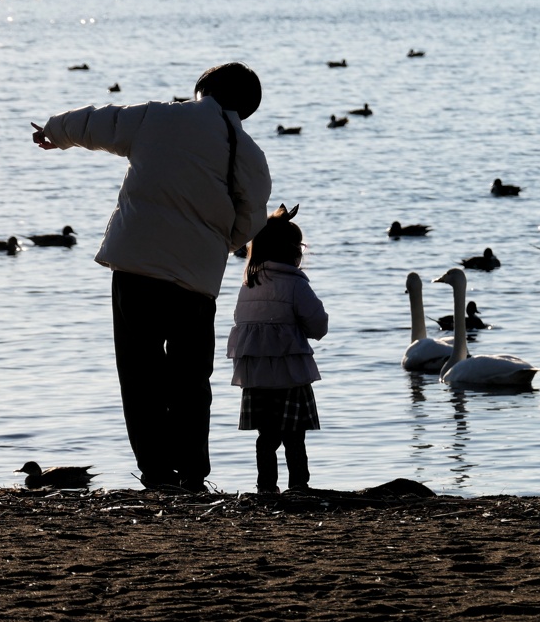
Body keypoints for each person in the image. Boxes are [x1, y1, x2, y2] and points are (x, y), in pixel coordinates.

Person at [31, 62, 272, 491]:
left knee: (140, 373)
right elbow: (248, 224)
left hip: (137, 266)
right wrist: (217, 244)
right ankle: (193, 472)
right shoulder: (250, 155)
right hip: (197, 281)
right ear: (246, 110)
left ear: (201, 88)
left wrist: (54, 132)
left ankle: (157, 473)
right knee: (191, 379)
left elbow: (96, 122)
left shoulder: (158, 116)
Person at [227, 204, 328, 492]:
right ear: (294, 251)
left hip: (256, 377)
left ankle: (266, 488)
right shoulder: (295, 285)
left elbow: (240, 322)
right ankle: (298, 486)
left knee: (266, 437)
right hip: (289, 376)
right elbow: (318, 326)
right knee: (295, 437)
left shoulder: (248, 285)